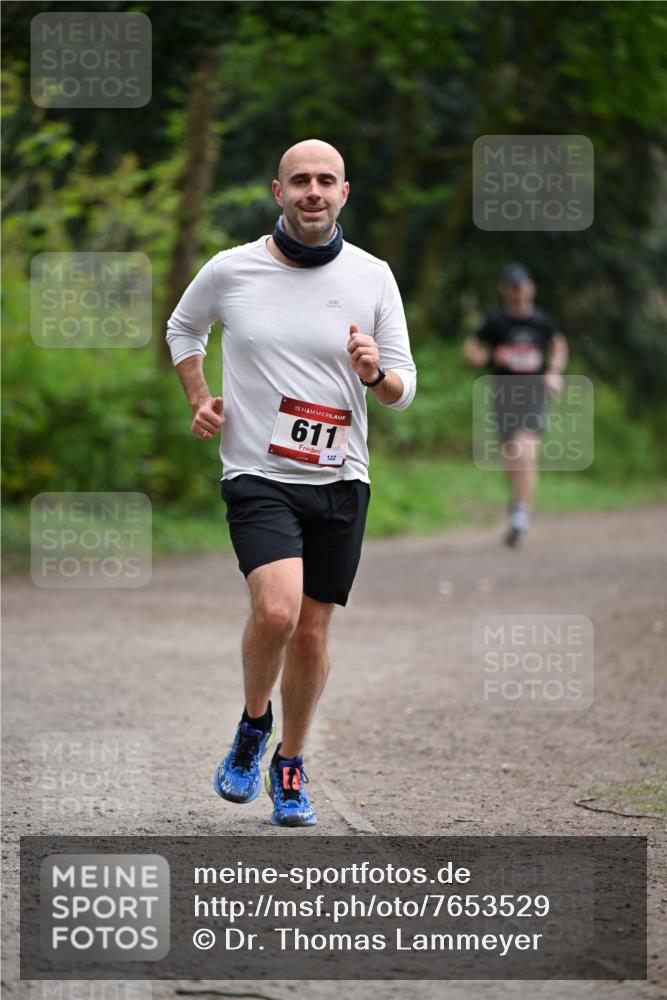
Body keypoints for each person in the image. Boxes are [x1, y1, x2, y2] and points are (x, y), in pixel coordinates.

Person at [166, 139, 416, 826]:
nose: (312, 191)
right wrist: (198, 396)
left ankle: (290, 762)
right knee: (275, 613)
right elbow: (184, 327)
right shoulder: (231, 270)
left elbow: (402, 388)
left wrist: (372, 373)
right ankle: (252, 727)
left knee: (310, 634)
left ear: (343, 194)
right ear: (278, 192)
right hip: (257, 472)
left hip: (340, 477)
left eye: (325, 181)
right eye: (299, 180)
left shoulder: (372, 276)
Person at [463, 263, 568, 547]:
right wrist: (487, 360)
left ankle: (520, 516)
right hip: (504, 396)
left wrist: (554, 372)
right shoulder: (496, 322)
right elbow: (470, 348)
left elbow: (558, 345)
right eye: (512, 287)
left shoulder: (542, 322)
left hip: (534, 394)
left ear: (530, 289)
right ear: (504, 291)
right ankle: (518, 503)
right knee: (512, 459)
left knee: (525, 452)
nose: (517, 292)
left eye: (521, 286)